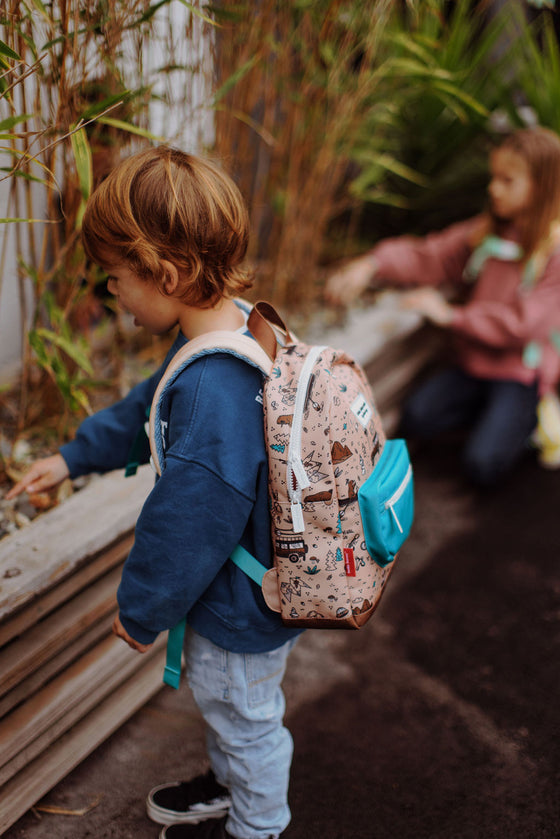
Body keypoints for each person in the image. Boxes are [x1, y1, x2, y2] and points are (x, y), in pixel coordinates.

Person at [7, 147, 302, 839]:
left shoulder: (213, 387)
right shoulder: (225, 328)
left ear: (164, 274)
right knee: (233, 706)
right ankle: (231, 788)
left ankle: (259, 824)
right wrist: (74, 456)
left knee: (244, 714)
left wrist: (142, 608)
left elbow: (191, 519)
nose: (111, 294)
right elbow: (148, 406)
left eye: (114, 279)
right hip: (248, 587)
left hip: (241, 605)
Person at [325, 126, 560, 486]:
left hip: (519, 374)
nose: (493, 188)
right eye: (493, 177)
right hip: (472, 365)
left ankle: (527, 420)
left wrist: (452, 316)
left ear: (541, 186)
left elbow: (523, 326)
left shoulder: (553, 252)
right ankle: (490, 418)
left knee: (482, 466)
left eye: (507, 180)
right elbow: (428, 256)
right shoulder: (485, 233)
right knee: (418, 416)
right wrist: (371, 264)